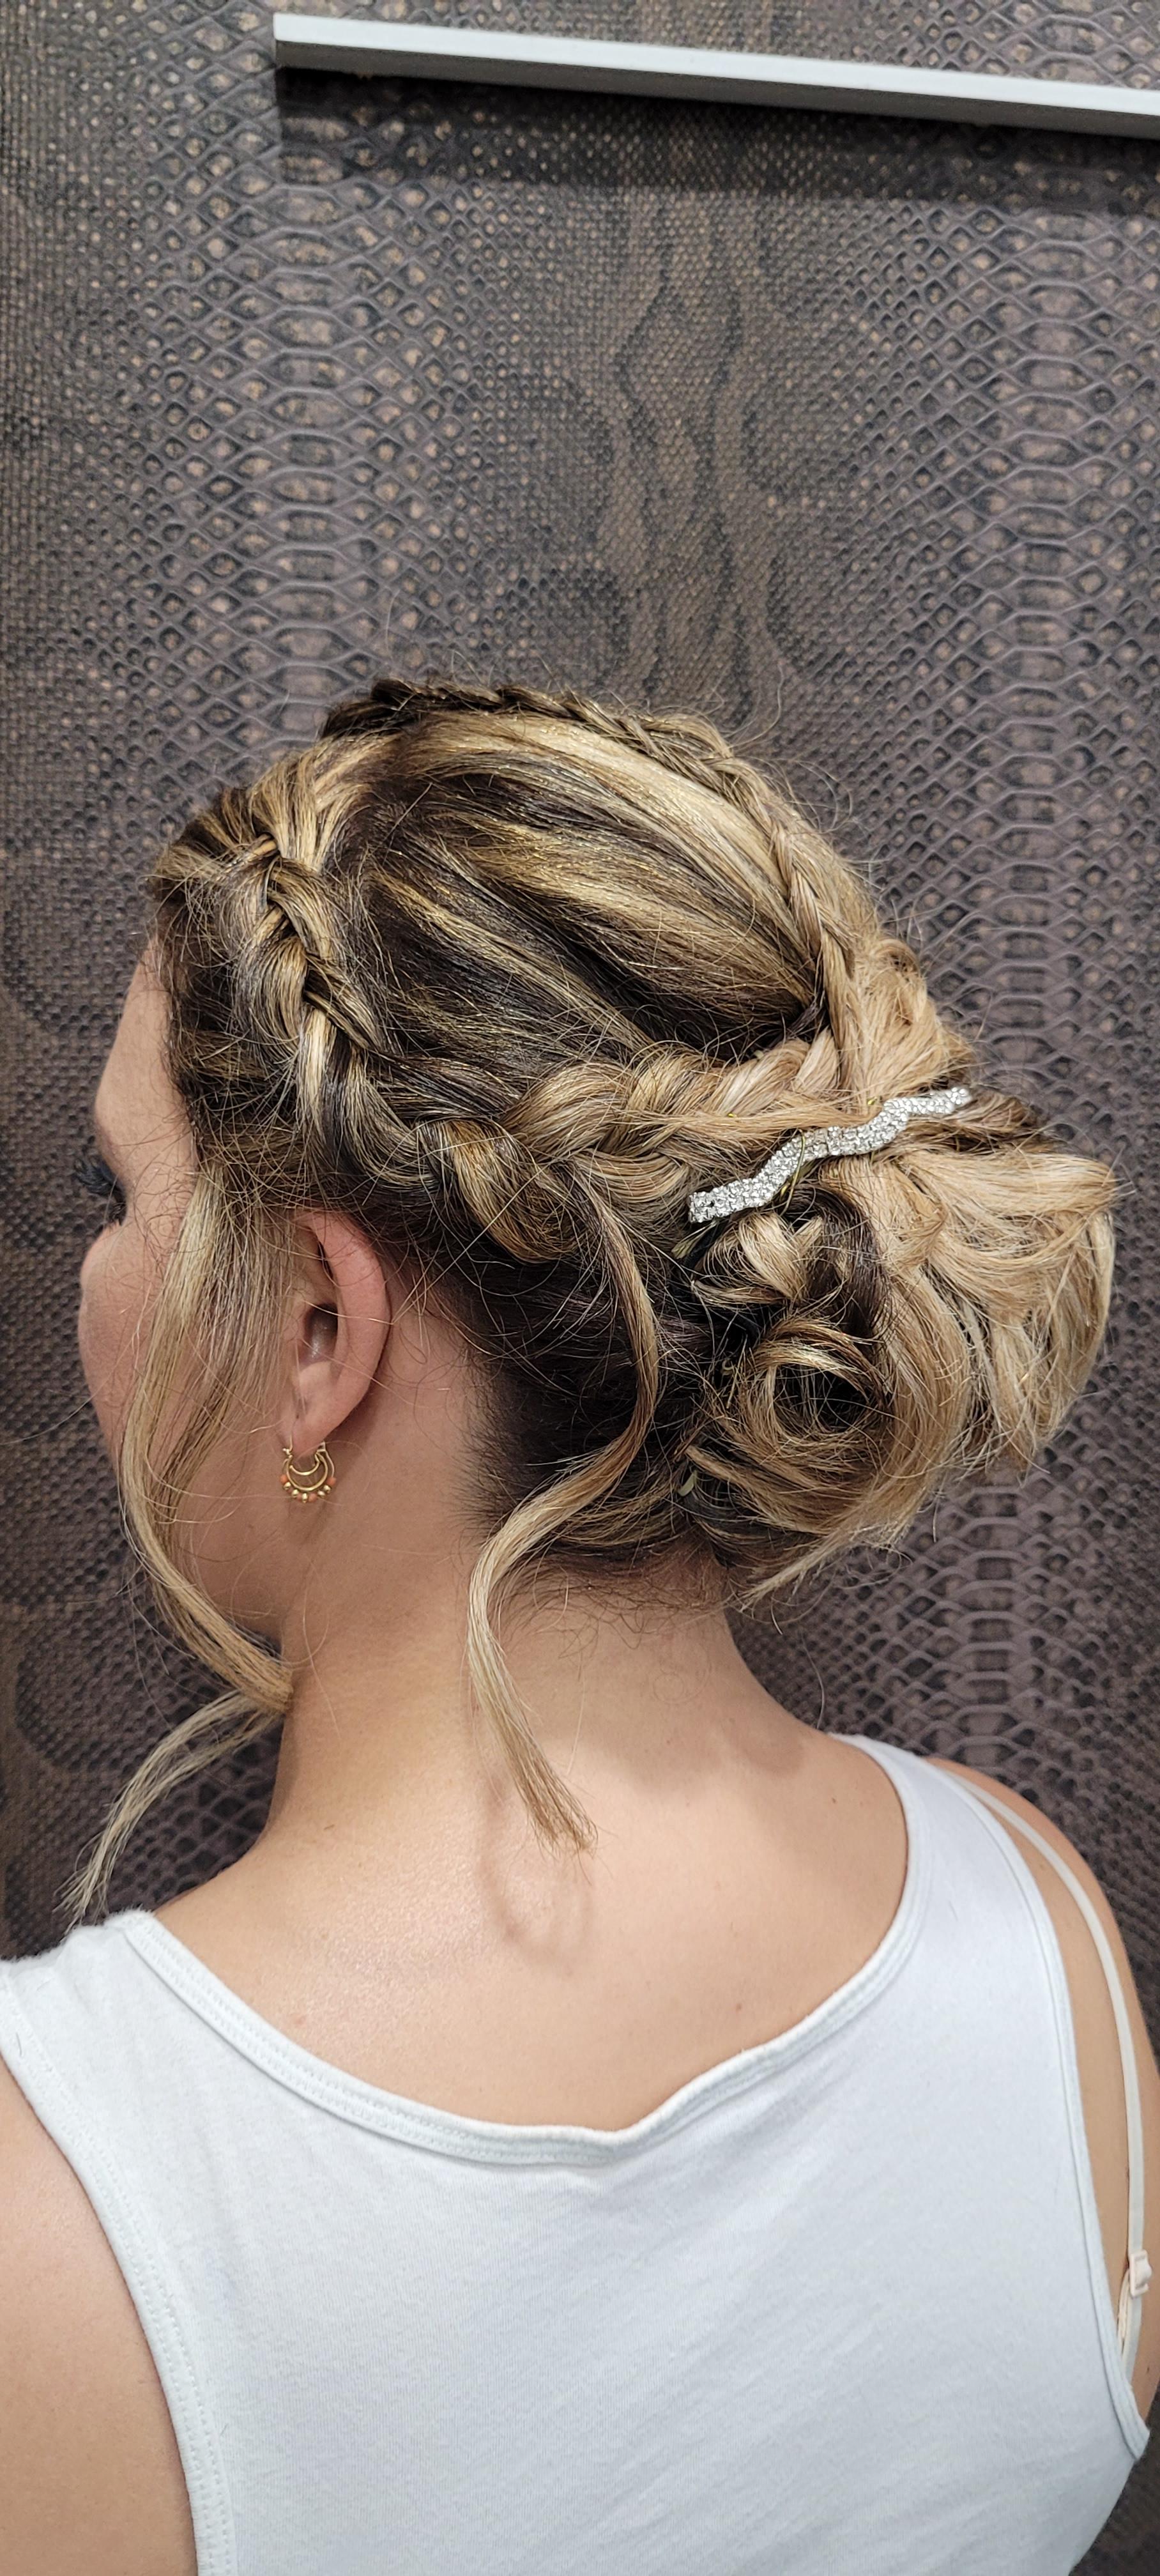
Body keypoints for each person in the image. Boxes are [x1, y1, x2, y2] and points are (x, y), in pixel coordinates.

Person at [0, 674, 1155, 2575]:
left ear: (315, 1331)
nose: (91, 1281)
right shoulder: (1046, 1940)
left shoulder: (70, 2211)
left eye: (114, 1195)